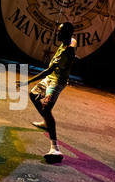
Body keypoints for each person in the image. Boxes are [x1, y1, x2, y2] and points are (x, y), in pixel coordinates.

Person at [17, 22, 77, 163]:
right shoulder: (72, 41)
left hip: (57, 82)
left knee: (46, 108)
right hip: (51, 78)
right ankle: (46, 122)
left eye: (60, 32)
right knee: (33, 95)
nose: (58, 34)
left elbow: (48, 71)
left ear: (67, 33)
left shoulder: (65, 51)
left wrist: (27, 81)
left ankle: (54, 148)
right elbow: (73, 47)